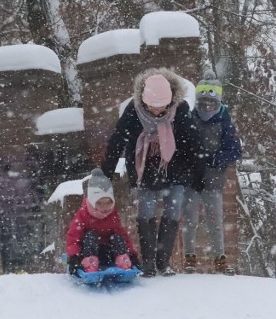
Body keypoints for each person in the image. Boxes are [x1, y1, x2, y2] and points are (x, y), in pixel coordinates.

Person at [101, 67, 203, 277]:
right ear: (144, 100)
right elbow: (117, 140)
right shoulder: (133, 110)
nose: (157, 112)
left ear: (171, 100)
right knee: (145, 214)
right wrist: (106, 174)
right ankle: (148, 263)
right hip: (143, 169)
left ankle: (163, 262)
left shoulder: (180, 109)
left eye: (162, 107)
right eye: (152, 107)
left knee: (173, 213)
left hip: (175, 169)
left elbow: (194, 144)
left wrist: (197, 176)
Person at [181, 71, 242, 275]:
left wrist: (216, 159)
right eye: (203, 103)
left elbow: (234, 149)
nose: (207, 107)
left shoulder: (224, 121)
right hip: (192, 177)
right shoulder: (189, 118)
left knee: (215, 220)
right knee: (190, 218)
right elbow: (182, 146)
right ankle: (189, 257)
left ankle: (220, 258)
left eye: (211, 103)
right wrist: (192, 158)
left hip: (213, 177)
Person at [66, 168, 140, 276]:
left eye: (108, 203)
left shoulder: (112, 214)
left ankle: (124, 262)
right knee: (90, 236)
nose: (104, 207)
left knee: (117, 237)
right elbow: (73, 237)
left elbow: (122, 235)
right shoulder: (83, 214)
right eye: (99, 203)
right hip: (87, 252)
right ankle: (90, 265)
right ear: (92, 201)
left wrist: (132, 254)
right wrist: (73, 257)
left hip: (107, 253)